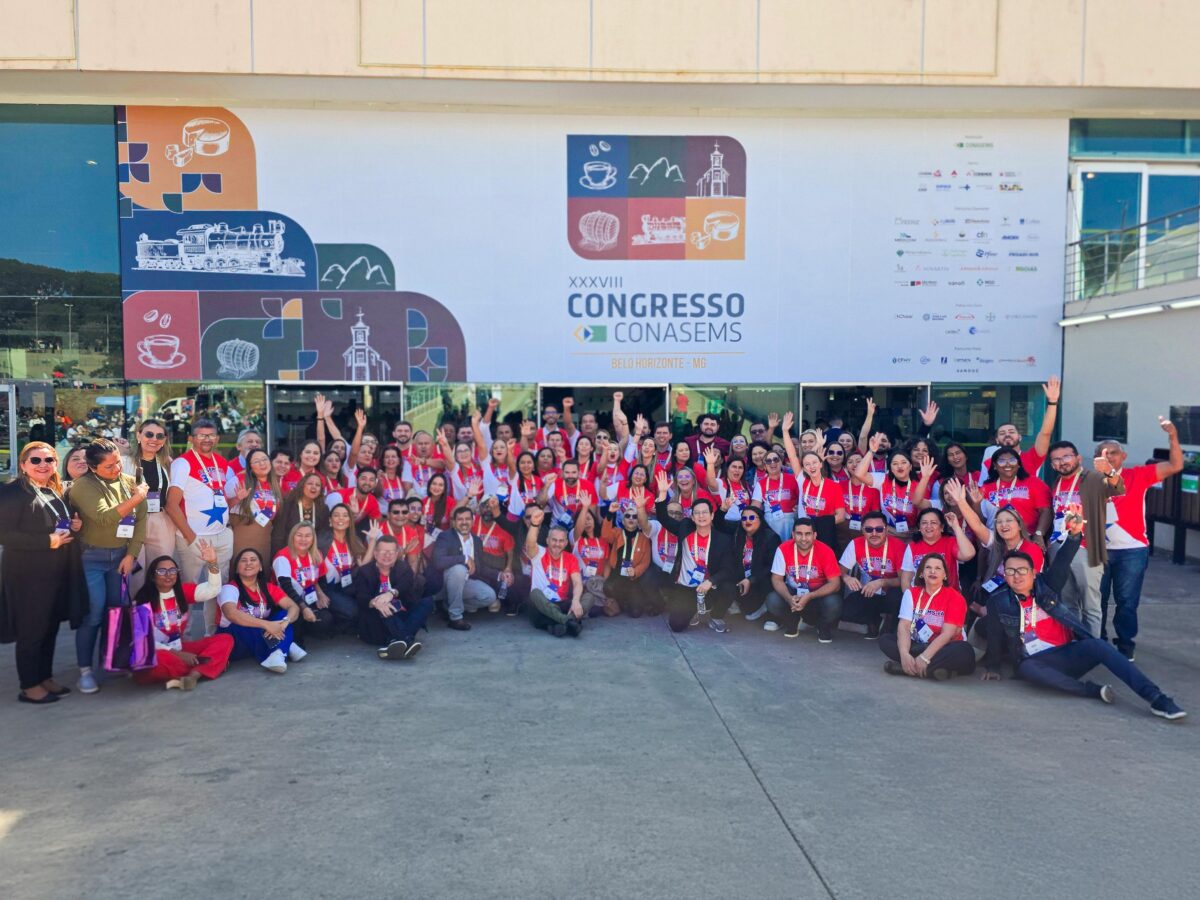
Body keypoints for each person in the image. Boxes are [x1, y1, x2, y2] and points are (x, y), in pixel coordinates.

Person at [979, 514, 1185, 720]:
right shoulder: (999, 601)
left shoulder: (1047, 585)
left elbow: (1062, 561)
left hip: (1067, 654)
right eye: (1010, 571)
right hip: (1037, 661)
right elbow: (995, 635)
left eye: (1022, 570)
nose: (1017, 576)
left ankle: (1156, 697)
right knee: (1027, 668)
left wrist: (1074, 536)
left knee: (1099, 645)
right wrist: (993, 666)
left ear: (1034, 573)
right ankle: (1092, 691)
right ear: (1005, 575)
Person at [0, 443, 85, 704]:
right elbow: (5, 535)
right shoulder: (12, 492)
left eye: (48, 460)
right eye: (35, 460)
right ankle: (29, 685)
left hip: (54, 574)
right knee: (31, 631)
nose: (43, 465)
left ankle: (44, 677)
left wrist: (74, 526)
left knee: (49, 629)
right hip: (27, 576)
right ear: (23, 464)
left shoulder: (51, 490)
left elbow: (55, 524)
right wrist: (49, 541)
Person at [1098, 416, 1184, 659]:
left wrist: (1173, 436)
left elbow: (1175, 465)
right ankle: (1098, 643)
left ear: (1123, 456)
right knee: (1097, 600)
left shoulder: (1138, 475)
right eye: (1103, 453)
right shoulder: (1089, 480)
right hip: (1098, 549)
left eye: (1113, 452)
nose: (1108, 456)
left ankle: (1125, 645)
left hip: (1131, 550)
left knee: (1127, 601)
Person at [70, 438, 149, 694]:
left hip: (120, 558)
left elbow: (141, 521)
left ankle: (111, 660)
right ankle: (85, 670)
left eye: (118, 463)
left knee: (116, 611)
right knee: (93, 613)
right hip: (91, 559)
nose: (116, 469)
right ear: (93, 468)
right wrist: (137, 498)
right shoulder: (83, 486)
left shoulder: (129, 482)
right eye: (109, 466)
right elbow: (105, 517)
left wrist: (131, 555)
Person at [1045, 439, 1125, 638]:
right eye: (1056, 459)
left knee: (1090, 606)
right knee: (1066, 603)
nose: (1062, 462)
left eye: (1066, 457)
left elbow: (1117, 488)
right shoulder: (1056, 483)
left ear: (1078, 458)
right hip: (1059, 546)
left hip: (1085, 548)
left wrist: (1109, 471)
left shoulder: (1092, 478)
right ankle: (1074, 644)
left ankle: (1093, 648)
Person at [166, 418, 233, 635]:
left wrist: (236, 500)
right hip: (194, 537)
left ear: (217, 438)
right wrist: (191, 537)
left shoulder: (222, 463)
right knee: (189, 590)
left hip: (221, 535)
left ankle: (212, 635)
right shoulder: (182, 463)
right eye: (202, 435)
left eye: (211, 435)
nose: (207, 439)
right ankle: (182, 637)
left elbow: (221, 499)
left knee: (218, 588)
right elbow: (171, 504)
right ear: (191, 438)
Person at [133, 546, 233, 690]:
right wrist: (178, 655)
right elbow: (142, 640)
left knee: (225, 639)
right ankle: (209, 666)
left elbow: (213, 590)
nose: (168, 575)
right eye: (162, 571)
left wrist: (212, 562)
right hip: (157, 653)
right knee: (156, 660)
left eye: (173, 570)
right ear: (153, 576)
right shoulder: (142, 600)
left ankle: (193, 675)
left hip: (180, 648)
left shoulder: (182, 592)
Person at [654, 470, 735, 633]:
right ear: (692, 517)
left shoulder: (721, 539)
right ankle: (694, 609)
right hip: (686, 587)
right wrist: (662, 494)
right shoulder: (685, 527)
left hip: (708, 586)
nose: (701, 516)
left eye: (705, 512)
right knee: (676, 625)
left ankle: (716, 616)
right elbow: (664, 519)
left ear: (712, 516)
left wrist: (711, 581)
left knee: (730, 587)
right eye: (697, 513)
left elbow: (728, 569)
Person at [880, 553, 975, 680]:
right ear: (921, 573)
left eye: (938, 568)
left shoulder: (955, 597)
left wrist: (925, 657)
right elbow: (904, 626)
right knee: (886, 640)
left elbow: (947, 634)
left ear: (945, 575)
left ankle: (907, 669)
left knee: (962, 650)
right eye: (928, 567)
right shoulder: (911, 593)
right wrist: (904, 654)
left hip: (946, 647)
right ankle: (933, 670)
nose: (932, 571)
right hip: (919, 645)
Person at [217, 548, 305, 673]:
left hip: (260, 636)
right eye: (243, 560)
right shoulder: (229, 588)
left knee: (283, 614)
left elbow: (293, 607)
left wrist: (284, 623)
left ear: (260, 567)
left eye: (253, 560)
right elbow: (231, 614)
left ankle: (279, 653)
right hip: (236, 637)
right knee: (249, 625)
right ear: (236, 569)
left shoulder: (268, 588)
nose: (248, 563)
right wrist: (267, 625)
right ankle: (286, 646)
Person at [352, 534, 432, 659]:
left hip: (400, 614)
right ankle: (406, 640)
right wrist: (375, 602)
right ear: (375, 553)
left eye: (391, 552)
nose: (387, 555)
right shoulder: (364, 572)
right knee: (383, 604)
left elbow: (405, 585)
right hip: (376, 621)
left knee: (427, 602)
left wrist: (391, 593)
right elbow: (361, 597)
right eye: (383, 551)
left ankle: (396, 641)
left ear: (396, 554)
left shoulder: (403, 568)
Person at [122, 418, 175, 594]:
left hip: (161, 521)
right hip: (133, 520)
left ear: (164, 440)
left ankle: (159, 608)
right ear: (139, 436)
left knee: (161, 570)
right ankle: (137, 609)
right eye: (149, 434)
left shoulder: (167, 463)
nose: (154, 439)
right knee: (136, 573)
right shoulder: (124, 462)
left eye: (160, 436)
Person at [768, 517, 842, 642]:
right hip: (794, 593)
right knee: (772, 600)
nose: (803, 538)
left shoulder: (826, 551)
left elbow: (835, 584)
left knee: (834, 603)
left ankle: (822, 625)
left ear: (814, 535)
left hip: (818, 594)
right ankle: (792, 619)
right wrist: (788, 598)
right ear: (793, 535)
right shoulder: (783, 549)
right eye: (799, 534)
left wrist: (810, 596)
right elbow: (776, 579)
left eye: (808, 534)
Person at [840, 510, 906, 638]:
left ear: (886, 530)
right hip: (868, 591)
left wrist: (882, 582)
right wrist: (846, 577)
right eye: (869, 529)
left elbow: (903, 580)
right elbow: (840, 570)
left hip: (890, 591)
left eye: (879, 529)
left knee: (898, 597)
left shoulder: (898, 546)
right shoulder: (855, 544)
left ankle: (893, 629)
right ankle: (874, 621)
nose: (874, 533)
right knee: (845, 610)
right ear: (862, 530)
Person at [522, 507, 587, 636]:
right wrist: (534, 525)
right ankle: (568, 621)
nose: (557, 544)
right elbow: (530, 544)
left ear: (566, 543)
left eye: (561, 541)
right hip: (541, 604)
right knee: (534, 594)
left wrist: (575, 600)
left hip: (562, 604)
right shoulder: (539, 553)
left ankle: (556, 624)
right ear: (547, 540)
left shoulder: (571, 558)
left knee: (589, 597)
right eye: (554, 540)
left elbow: (577, 583)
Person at [979, 376, 1060, 480]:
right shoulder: (989, 463)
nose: (1007, 434)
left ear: (1020, 437)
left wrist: (1052, 402)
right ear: (997, 440)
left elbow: (1045, 433)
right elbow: (983, 488)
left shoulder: (1032, 458)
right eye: (1002, 433)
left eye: (1011, 432)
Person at [432, 506, 499, 630]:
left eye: (467, 519)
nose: (464, 522)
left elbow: (480, 567)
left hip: (465, 583)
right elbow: (438, 562)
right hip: (444, 584)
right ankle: (455, 617)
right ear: (454, 522)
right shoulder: (445, 536)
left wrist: (500, 575)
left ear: (473, 521)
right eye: (460, 519)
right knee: (459, 569)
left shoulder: (477, 540)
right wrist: (464, 558)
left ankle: (448, 606)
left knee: (489, 596)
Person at [717, 504, 781, 626]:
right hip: (741, 578)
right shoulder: (739, 532)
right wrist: (722, 510)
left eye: (752, 517)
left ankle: (766, 606)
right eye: (744, 518)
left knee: (751, 608)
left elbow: (772, 567)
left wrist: (751, 580)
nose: (747, 521)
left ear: (760, 520)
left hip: (760, 580)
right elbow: (719, 525)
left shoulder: (771, 537)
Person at [273, 522, 336, 640]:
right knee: (298, 629)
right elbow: (286, 587)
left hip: (309, 597)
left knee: (326, 619)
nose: (303, 539)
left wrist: (320, 594)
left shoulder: (316, 553)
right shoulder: (283, 556)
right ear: (292, 537)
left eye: (308, 536)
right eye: (299, 535)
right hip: (289, 601)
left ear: (313, 539)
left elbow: (319, 578)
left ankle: (307, 627)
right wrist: (304, 607)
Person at [898, 504, 976, 594]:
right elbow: (906, 578)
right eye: (924, 523)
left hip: (949, 596)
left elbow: (968, 554)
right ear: (919, 527)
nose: (928, 526)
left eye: (933, 523)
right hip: (921, 597)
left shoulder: (950, 542)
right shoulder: (912, 546)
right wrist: (909, 598)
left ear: (942, 527)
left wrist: (956, 527)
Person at [601, 490, 655, 617]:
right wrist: (610, 513)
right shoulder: (617, 533)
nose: (631, 518)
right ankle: (620, 603)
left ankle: (626, 603)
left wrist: (635, 571)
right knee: (607, 588)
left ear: (639, 521)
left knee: (635, 613)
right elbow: (605, 535)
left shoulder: (644, 538)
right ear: (623, 520)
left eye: (635, 517)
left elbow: (645, 562)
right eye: (628, 516)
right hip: (617, 576)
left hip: (633, 579)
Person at [978, 446, 1051, 537]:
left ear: (1019, 464)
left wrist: (1039, 535)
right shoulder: (986, 488)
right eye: (1001, 461)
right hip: (995, 537)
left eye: (1012, 460)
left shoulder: (1034, 483)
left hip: (1027, 537)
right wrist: (975, 504)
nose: (1007, 464)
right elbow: (981, 520)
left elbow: (1046, 511)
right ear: (995, 466)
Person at [227, 447, 281, 563]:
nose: (262, 463)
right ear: (250, 466)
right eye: (256, 461)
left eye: (264, 459)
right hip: (244, 534)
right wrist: (237, 498)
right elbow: (223, 508)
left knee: (262, 569)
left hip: (265, 536)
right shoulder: (238, 480)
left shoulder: (274, 483)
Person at [273, 472, 330, 558]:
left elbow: (323, 536)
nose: (314, 487)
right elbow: (278, 534)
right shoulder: (288, 505)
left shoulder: (323, 509)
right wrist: (279, 556)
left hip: (311, 555)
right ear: (302, 486)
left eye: (317, 485)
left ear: (320, 490)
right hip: (288, 553)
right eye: (310, 483)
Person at [751, 447, 799, 541]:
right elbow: (755, 507)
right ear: (765, 466)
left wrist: (798, 508)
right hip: (770, 524)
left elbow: (802, 500)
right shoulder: (760, 483)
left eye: (776, 459)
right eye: (768, 461)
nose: (772, 463)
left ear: (781, 463)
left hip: (790, 523)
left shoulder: (793, 479)